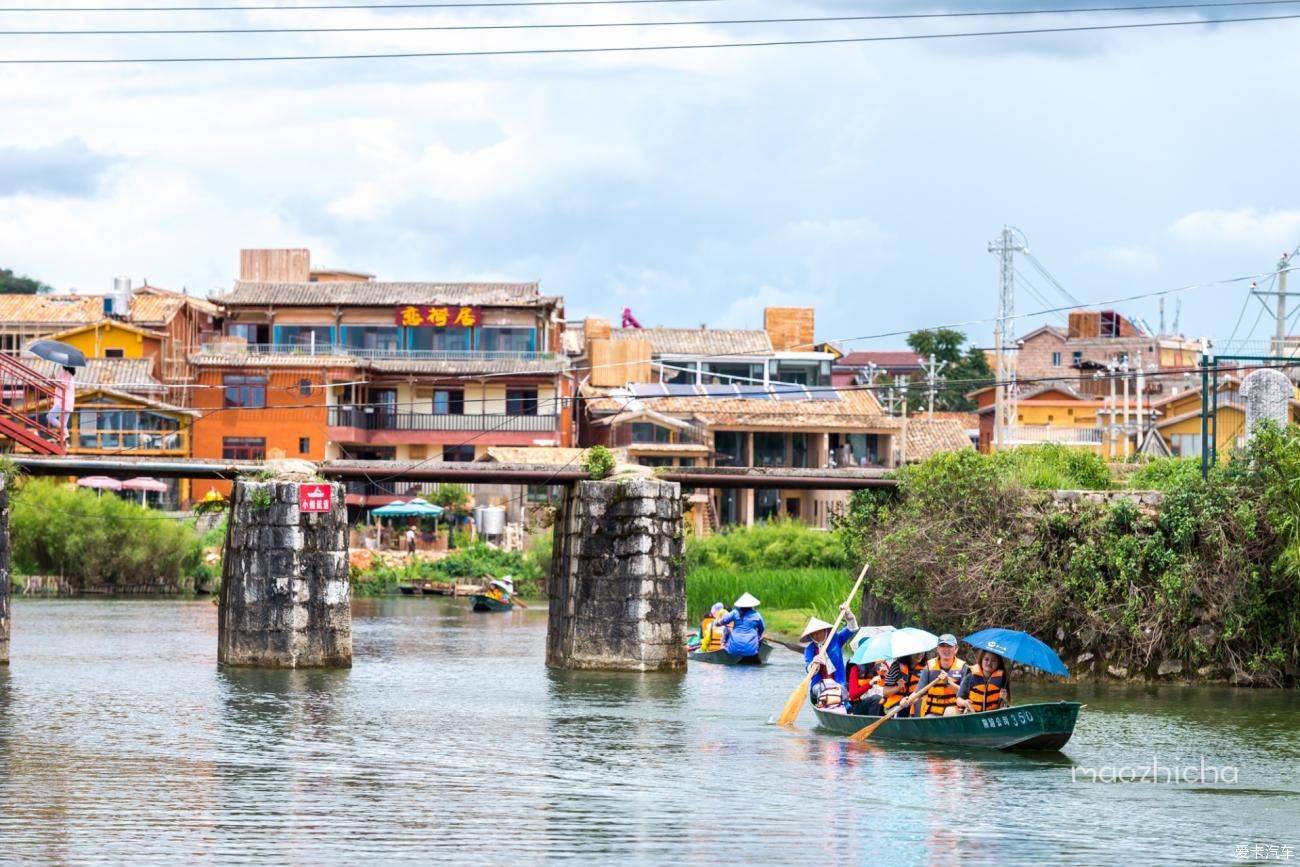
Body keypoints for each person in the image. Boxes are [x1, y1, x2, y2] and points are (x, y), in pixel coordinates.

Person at [801, 604, 859, 699]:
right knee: (822, 689)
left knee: (840, 690)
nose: (816, 635)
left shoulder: (836, 639)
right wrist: (814, 663)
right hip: (819, 685)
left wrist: (849, 615)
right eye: (813, 633)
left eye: (819, 632)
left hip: (839, 682)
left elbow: (851, 629)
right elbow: (808, 669)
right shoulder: (810, 649)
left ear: (825, 631)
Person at [911, 634, 969, 718]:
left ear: (956, 649)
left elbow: (966, 694)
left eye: (949, 646)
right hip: (933, 713)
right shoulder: (928, 668)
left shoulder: (964, 668)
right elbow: (917, 693)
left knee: (950, 712)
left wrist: (948, 683)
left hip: (956, 713)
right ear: (937, 649)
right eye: (942, 646)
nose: (946, 649)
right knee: (929, 718)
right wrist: (907, 700)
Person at [716, 592, 764, 658]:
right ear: (752, 605)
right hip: (751, 650)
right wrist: (759, 636)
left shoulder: (735, 612)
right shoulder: (757, 615)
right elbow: (762, 628)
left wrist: (717, 623)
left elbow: (723, 621)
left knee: (725, 640)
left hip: (733, 650)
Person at [883, 651, 925, 718]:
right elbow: (885, 692)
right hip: (896, 705)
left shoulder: (926, 668)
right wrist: (898, 687)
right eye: (916, 652)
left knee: (918, 704)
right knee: (904, 707)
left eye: (922, 652)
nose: (920, 655)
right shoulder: (896, 666)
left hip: (915, 703)